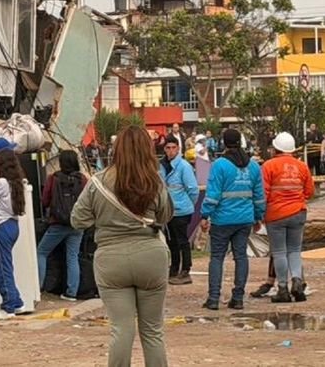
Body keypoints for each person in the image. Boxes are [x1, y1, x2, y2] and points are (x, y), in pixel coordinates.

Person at [71, 125, 172, 367]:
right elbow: (166, 215)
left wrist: (103, 218)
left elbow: (77, 219)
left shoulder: (97, 183)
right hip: (150, 256)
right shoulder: (154, 180)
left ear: (116, 150)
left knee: (121, 329)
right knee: (153, 330)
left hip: (111, 259)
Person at [199, 128, 266, 311]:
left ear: (223, 143)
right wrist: (259, 216)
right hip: (244, 219)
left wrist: (205, 215)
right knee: (241, 257)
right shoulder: (253, 166)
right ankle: (238, 298)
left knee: (217, 258)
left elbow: (212, 194)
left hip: (222, 220)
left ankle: (213, 298)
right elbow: (259, 196)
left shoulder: (219, 165)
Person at [261, 132, 315, 303]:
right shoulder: (302, 166)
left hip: (275, 215)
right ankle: (297, 281)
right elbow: (309, 192)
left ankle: (283, 288)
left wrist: (260, 214)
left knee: (279, 252)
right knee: (295, 250)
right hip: (298, 212)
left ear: (275, 148)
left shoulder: (269, 166)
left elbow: (263, 193)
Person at [37, 150, 87, 301]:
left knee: (41, 252)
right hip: (77, 224)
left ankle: (38, 288)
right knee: (72, 256)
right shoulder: (83, 179)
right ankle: (71, 292)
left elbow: (45, 200)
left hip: (57, 223)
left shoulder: (53, 178)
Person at [0, 147, 27, 319]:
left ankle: (8, 305)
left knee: (1, 267)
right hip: (12, 224)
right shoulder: (17, 182)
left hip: (0, 226)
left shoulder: (2, 183)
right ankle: (15, 300)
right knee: (0, 265)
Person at [158, 137, 200, 285]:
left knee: (182, 241)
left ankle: (186, 269)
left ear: (178, 148)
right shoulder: (161, 166)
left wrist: (188, 205)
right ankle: (174, 268)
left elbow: (193, 189)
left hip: (182, 210)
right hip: (168, 211)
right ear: (164, 149)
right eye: (168, 148)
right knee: (171, 241)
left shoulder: (183, 166)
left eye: (173, 148)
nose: (170, 151)